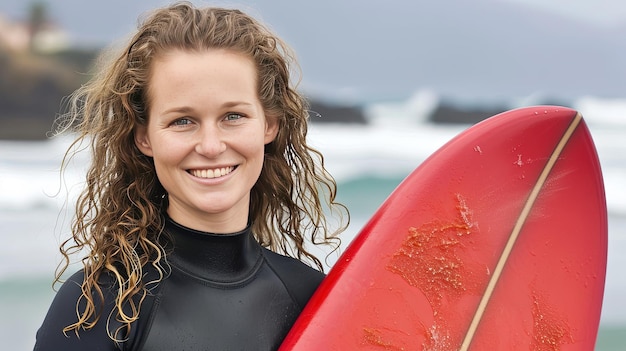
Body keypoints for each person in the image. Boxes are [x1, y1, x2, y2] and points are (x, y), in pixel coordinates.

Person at [34, 2, 348, 350]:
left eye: (233, 116)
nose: (211, 146)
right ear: (144, 137)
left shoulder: (311, 299)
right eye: (182, 121)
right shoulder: (100, 306)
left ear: (269, 125)